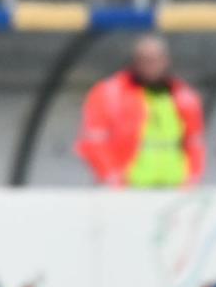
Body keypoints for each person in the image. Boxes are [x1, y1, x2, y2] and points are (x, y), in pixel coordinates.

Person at [75, 34, 206, 189]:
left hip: (173, 186)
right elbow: (93, 141)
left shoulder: (183, 95)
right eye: (145, 60)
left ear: (166, 61)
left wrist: (192, 178)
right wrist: (111, 177)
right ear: (135, 61)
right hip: (129, 187)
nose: (150, 65)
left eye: (155, 59)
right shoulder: (110, 93)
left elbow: (194, 141)